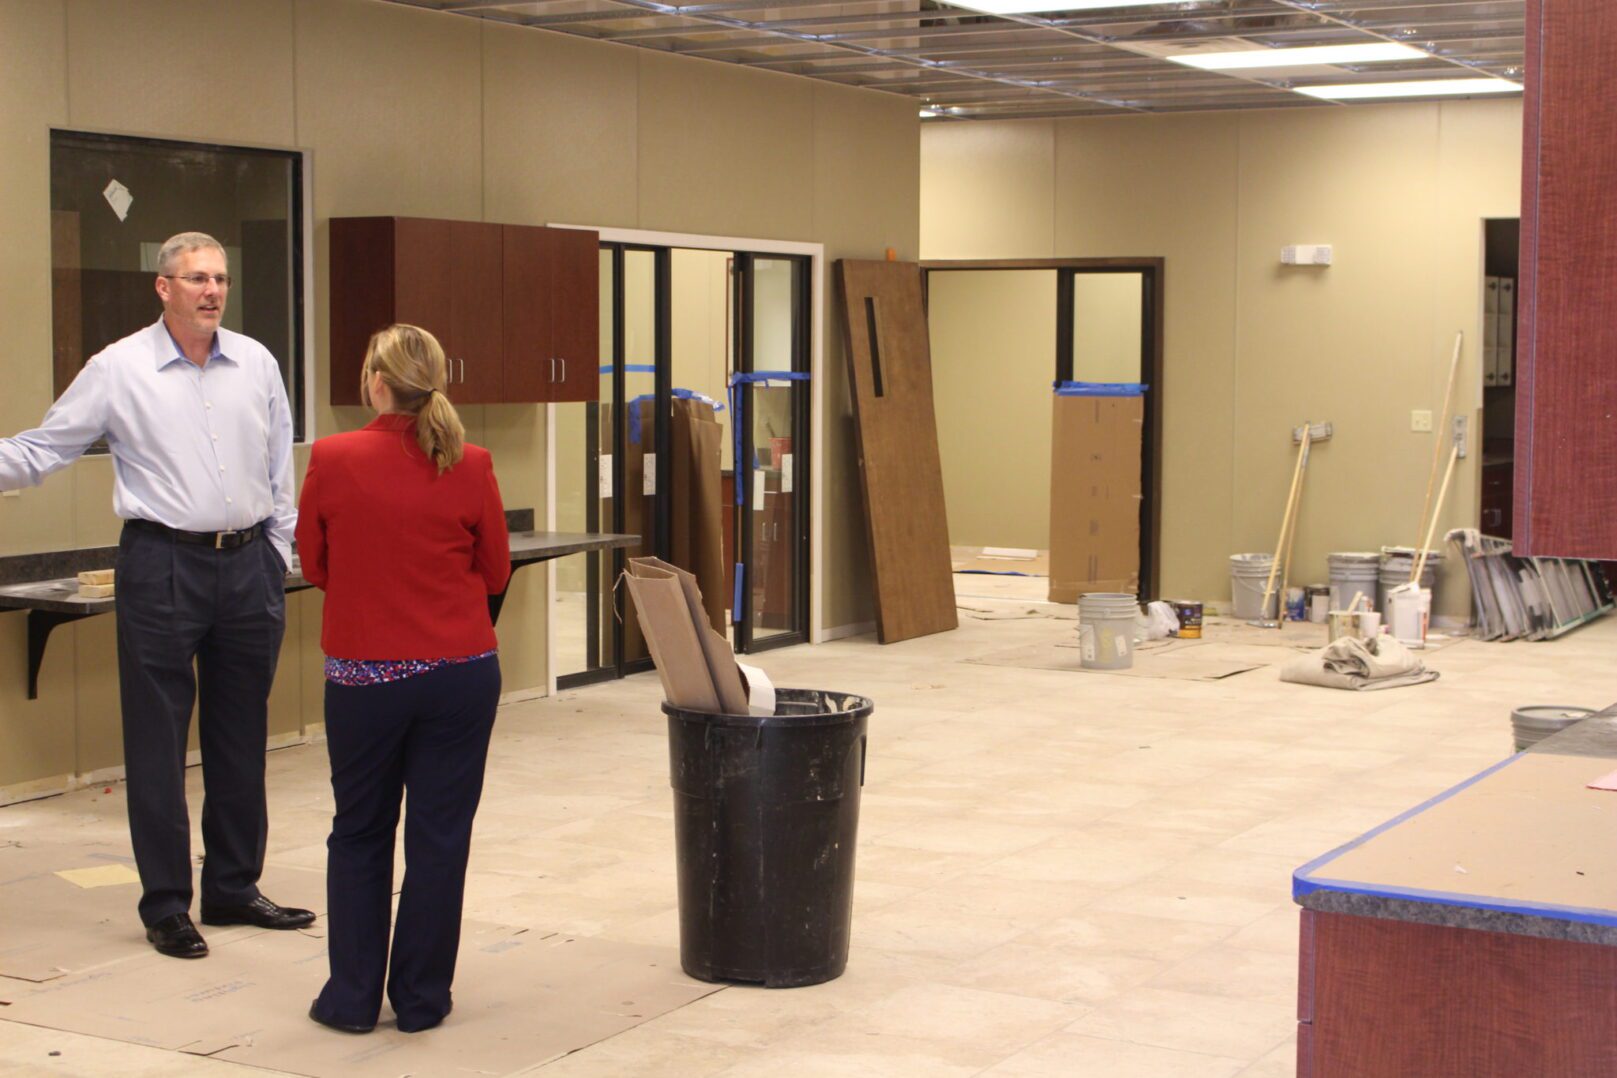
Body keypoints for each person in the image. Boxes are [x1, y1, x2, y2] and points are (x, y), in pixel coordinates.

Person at [0, 232, 314, 958]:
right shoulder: (118, 369)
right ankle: (167, 904)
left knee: (241, 738)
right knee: (157, 741)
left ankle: (234, 889)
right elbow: (44, 449)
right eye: (197, 278)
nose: (212, 290)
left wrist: (278, 553)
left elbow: (279, 468)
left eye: (222, 279)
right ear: (163, 287)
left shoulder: (257, 363)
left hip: (248, 567)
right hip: (162, 564)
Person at [296, 323, 510, 1034]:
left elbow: (315, 565)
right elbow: (496, 571)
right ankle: (420, 1000)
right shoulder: (471, 461)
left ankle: (351, 1000)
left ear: (374, 382)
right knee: (440, 837)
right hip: (461, 674)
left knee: (359, 832)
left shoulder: (331, 457)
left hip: (365, 677)